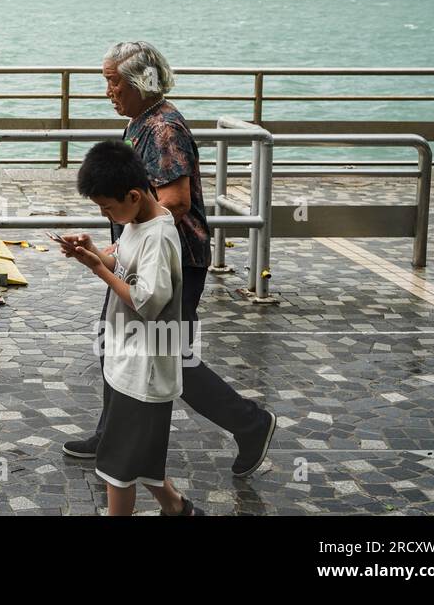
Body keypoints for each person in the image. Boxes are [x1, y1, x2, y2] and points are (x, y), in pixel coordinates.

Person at [62, 40, 276, 478]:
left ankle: (250, 423)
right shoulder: (141, 123)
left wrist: (127, 238)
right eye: (106, 81)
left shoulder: (163, 129)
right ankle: (110, 434)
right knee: (114, 343)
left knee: (170, 357)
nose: (108, 91)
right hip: (136, 254)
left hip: (172, 260)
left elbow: (175, 202)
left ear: (141, 82)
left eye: (114, 82)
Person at [60, 140, 201, 515]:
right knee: (143, 459)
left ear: (134, 195)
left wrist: (98, 269)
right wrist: (95, 251)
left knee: (116, 468)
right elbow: (123, 258)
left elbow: (148, 301)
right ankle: (177, 508)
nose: (106, 214)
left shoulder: (158, 235)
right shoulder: (137, 221)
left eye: (107, 207)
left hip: (145, 371)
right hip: (129, 364)